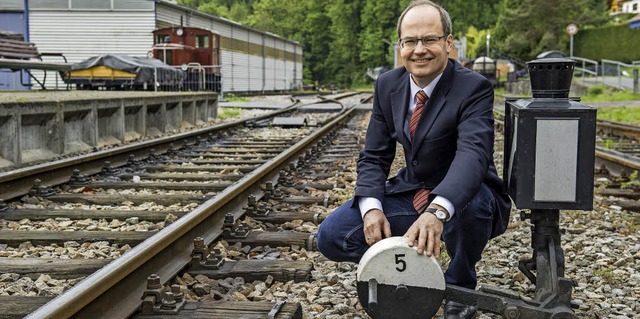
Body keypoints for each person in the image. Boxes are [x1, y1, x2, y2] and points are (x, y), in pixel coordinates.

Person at [315, 1, 512, 318]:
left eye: (430, 39)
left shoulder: (473, 88)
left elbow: (473, 156)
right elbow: (375, 155)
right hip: (414, 192)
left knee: (471, 205)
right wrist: (372, 208)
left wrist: (438, 210)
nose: (419, 50)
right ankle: (419, 271)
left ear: (448, 43)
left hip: (468, 198)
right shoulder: (387, 85)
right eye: (410, 41)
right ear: (400, 46)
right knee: (332, 236)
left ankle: (460, 291)